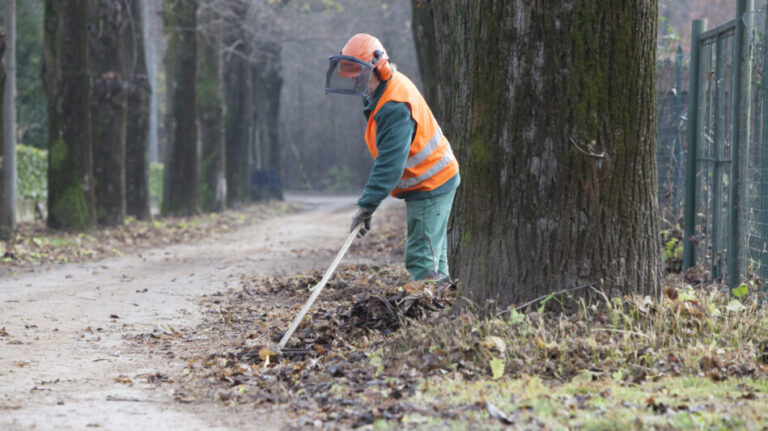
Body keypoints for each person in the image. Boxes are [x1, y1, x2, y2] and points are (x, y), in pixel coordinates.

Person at [325, 33, 460, 282]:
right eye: (352, 77)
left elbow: (389, 166)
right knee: (434, 260)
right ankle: (444, 307)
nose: (356, 83)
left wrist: (366, 206)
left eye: (360, 76)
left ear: (380, 68)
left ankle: (431, 313)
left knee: (421, 260)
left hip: (431, 183)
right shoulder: (382, 93)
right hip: (432, 180)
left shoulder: (394, 106)